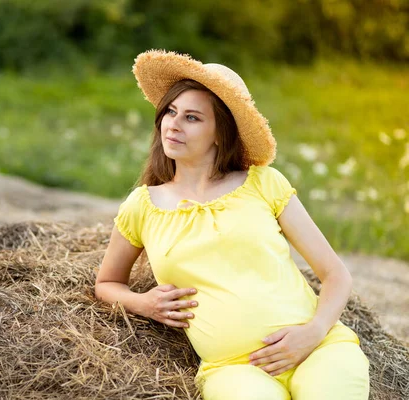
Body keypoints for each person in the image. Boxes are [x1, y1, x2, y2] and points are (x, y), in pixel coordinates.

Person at [95, 50, 370, 399]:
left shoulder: (263, 183)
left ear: (220, 134)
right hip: (233, 370)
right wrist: (142, 303)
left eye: (192, 118)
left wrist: (314, 332)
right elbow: (107, 283)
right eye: (170, 111)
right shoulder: (142, 206)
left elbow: (336, 274)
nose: (173, 124)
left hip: (318, 350)